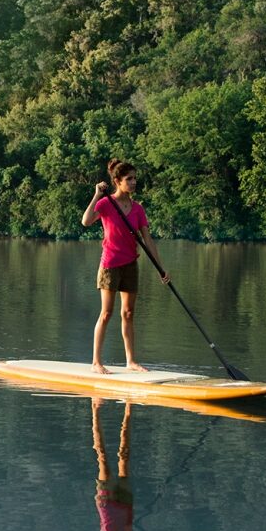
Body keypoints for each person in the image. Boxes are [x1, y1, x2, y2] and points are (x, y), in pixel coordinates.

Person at [81, 157, 170, 374]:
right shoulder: (106, 204)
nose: (133, 182)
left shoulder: (138, 209)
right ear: (118, 181)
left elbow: (148, 240)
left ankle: (130, 361)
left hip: (130, 264)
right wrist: (96, 195)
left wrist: (161, 268)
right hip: (110, 264)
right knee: (107, 313)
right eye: (129, 179)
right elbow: (85, 221)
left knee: (128, 313)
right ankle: (96, 363)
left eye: (134, 179)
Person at [77, 398, 134, 531]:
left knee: (102, 456)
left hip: (108, 505)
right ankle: (128, 409)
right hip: (124, 507)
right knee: (124, 455)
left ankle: (95, 410)